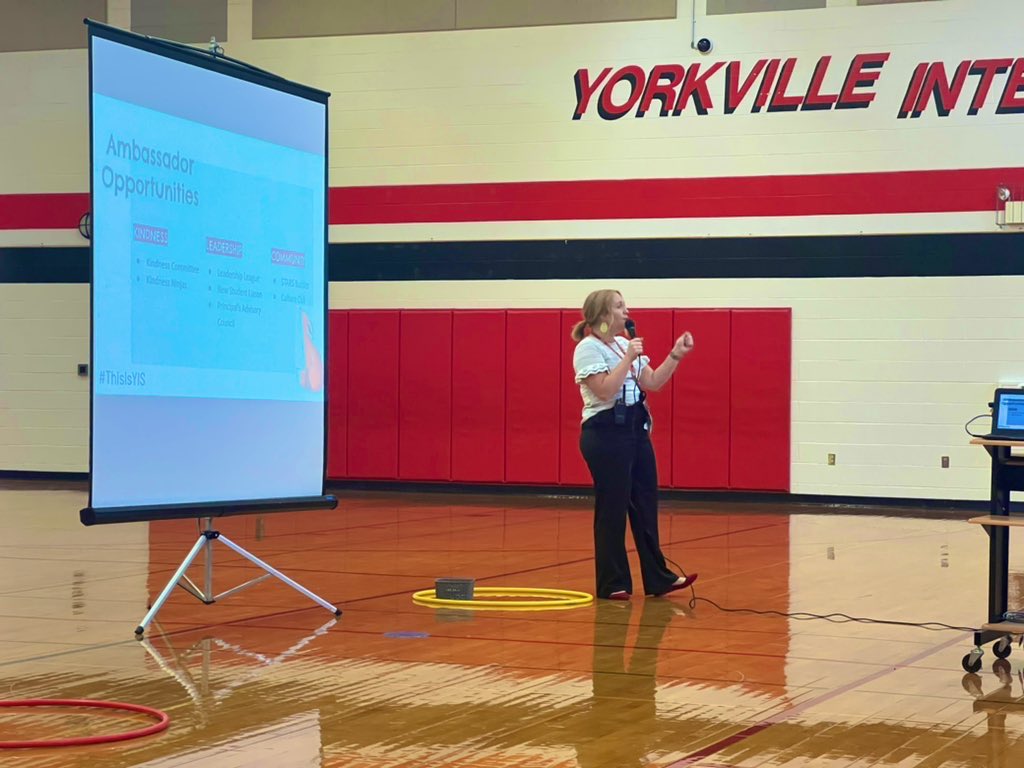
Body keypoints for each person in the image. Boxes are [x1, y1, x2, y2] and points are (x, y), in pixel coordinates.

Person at [571, 289, 698, 600]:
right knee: (613, 508)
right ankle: (613, 583)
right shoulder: (588, 349)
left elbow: (652, 382)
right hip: (605, 433)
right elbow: (604, 391)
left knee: (645, 503)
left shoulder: (623, 344)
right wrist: (628, 358)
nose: (627, 311)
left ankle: (658, 578)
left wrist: (675, 355)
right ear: (603, 315)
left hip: (635, 430)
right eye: (619, 306)